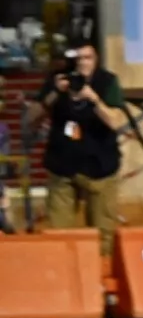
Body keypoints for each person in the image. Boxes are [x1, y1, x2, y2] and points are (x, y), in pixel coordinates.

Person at [33, 45, 128, 254]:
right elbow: (31, 117)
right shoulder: (58, 80)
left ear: (96, 59)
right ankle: (63, 275)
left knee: (104, 233)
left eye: (88, 58)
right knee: (58, 232)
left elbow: (116, 122)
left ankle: (101, 277)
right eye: (78, 59)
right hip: (62, 165)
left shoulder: (107, 81)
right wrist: (55, 92)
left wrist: (93, 99)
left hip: (99, 166)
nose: (83, 63)